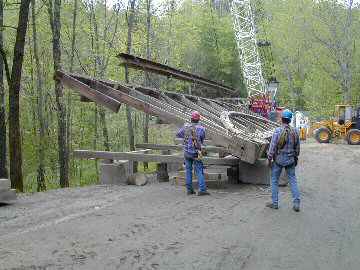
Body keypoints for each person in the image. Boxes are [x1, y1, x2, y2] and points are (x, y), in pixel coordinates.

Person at [267, 109, 301, 212]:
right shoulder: (295, 131)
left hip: (279, 159)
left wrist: (269, 159)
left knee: (274, 180)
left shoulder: (277, 131)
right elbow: (297, 148)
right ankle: (296, 203)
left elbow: (272, 147)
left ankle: (275, 203)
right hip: (290, 159)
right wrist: (295, 158)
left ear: (282, 119)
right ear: (290, 120)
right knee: (292, 180)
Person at [176, 111, 210, 196]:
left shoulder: (186, 127)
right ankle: (202, 189)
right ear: (198, 119)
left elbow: (179, 134)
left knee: (188, 171)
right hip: (196, 153)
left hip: (187, 152)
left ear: (191, 119)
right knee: (199, 170)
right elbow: (202, 139)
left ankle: (189, 190)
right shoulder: (202, 128)